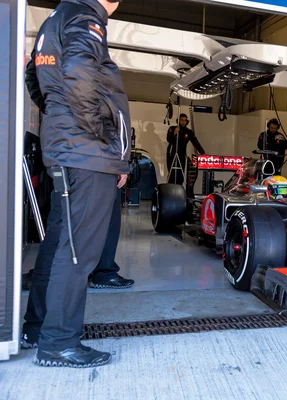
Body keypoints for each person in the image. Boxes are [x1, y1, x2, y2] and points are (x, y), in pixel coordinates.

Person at [23, 0, 131, 367]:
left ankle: (38, 328)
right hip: (87, 155)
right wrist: (102, 136)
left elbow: (31, 75)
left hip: (68, 149)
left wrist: (59, 117)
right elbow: (80, 72)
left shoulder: (57, 19)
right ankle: (58, 343)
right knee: (78, 252)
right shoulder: (85, 17)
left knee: (58, 246)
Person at [166, 113, 206, 184]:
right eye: (182, 120)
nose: (183, 122)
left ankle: (179, 190)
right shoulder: (172, 128)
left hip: (182, 155)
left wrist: (202, 153)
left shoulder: (188, 132)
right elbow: (169, 139)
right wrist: (174, 134)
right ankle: (170, 190)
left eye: (185, 120)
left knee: (180, 174)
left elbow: (195, 142)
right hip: (172, 154)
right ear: (178, 120)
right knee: (171, 174)